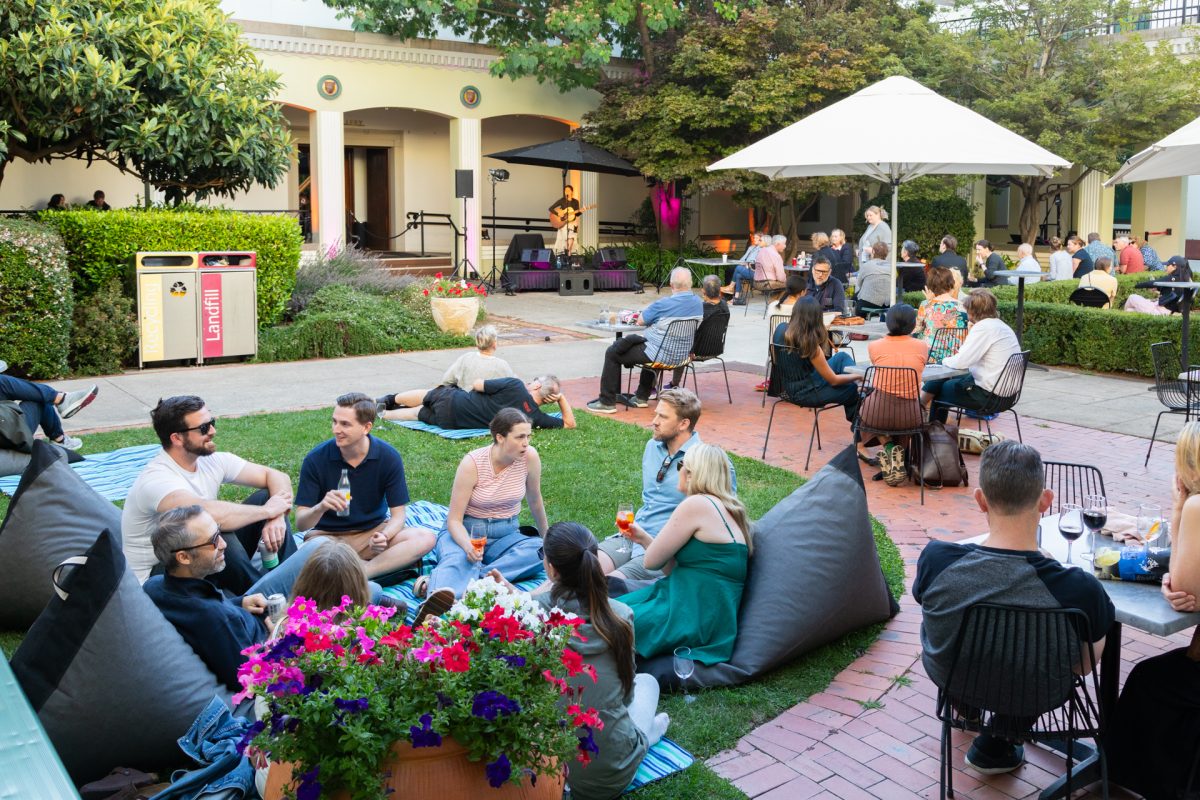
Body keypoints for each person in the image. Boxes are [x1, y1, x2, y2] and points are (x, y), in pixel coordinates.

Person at [913, 440, 1113, 774]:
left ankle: (972, 712)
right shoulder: (1078, 589)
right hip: (1036, 694)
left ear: (980, 500)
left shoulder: (936, 560)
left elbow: (927, 609)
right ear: (1046, 500)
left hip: (955, 679)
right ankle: (1003, 736)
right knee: (1038, 659)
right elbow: (1082, 667)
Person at [490, 522, 668, 800]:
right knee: (647, 683)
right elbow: (627, 695)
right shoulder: (620, 614)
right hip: (609, 775)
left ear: (551, 570)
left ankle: (644, 737)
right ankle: (644, 738)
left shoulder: (533, 616)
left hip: (545, 773)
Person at [1107, 421, 1200, 799]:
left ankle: (1122, 777)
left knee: (1147, 678)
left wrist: (1179, 508)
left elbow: (1182, 587)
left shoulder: (1197, 506)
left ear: (1189, 466)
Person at [144, 505, 334, 689]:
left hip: (245, 612)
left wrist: (238, 602)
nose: (223, 544)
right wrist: (276, 639)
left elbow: (205, 612)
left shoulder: (154, 586)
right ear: (184, 557)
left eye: (219, 532)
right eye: (213, 540)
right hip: (266, 635)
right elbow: (246, 677)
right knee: (324, 555)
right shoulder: (216, 620)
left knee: (319, 546)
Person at [123, 395, 296, 592]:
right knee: (215, 533)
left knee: (266, 497)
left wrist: (276, 517)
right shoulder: (156, 480)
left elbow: (277, 476)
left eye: (212, 422)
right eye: (204, 428)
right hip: (158, 578)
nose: (213, 431)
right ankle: (265, 595)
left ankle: (295, 586)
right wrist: (267, 511)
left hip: (198, 555)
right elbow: (208, 513)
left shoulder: (211, 461)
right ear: (177, 438)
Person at [614, 443, 750, 665]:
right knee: (607, 610)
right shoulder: (729, 510)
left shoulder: (696, 504)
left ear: (692, 473)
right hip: (709, 620)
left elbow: (650, 562)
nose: (678, 471)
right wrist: (643, 538)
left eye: (680, 465)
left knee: (605, 622)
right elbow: (675, 570)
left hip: (687, 613)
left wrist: (647, 543)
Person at [294, 393, 436, 582]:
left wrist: (384, 536)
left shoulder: (388, 457)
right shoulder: (316, 459)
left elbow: (398, 516)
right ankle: (374, 570)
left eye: (345, 424)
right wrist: (320, 507)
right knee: (307, 553)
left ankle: (364, 572)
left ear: (366, 427)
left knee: (425, 537)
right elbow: (301, 523)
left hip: (372, 533)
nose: (336, 429)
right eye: (334, 422)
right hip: (328, 537)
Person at [595, 388, 728, 583]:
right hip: (631, 535)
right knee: (579, 570)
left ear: (683, 424)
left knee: (605, 585)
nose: (654, 421)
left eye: (663, 417)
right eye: (656, 414)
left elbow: (721, 516)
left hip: (665, 549)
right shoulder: (652, 446)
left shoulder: (706, 462)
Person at [423, 408, 548, 599]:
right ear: (500, 437)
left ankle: (472, 582)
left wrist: (547, 538)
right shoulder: (473, 463)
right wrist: (468, 547)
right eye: (519, 437)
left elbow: (535, 499)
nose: (526, 443)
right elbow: (454, 520)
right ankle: (440, 596)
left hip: (506, 535)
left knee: (539, 552)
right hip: (467, 532)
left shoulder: (529, 457)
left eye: (528, 436)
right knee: (458, 559)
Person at [587, 267, 702, 413]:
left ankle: (607, 402)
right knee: (646, 345)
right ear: (690, 284)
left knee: (612, 352)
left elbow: (641, 320)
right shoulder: (698, 303)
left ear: (671, 285)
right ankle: (641, 397)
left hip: (659, 353)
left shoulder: (663, 304)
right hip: (682, 356)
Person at [772, 298, 872, 463]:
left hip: (788, 387)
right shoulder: (810, 344)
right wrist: (859, 375)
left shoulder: (780, 329)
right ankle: (860, 443)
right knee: (853, 391)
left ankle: (862, 389)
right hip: (807, 393)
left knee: (841, 357)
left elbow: (776, 361)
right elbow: (833, 381)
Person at [922, 289, 1021, 423]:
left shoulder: (983, 328)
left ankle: (932, 427)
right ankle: (921, 406)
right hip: (1008, 395)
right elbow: (968, 358)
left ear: (972, 311)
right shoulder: (1001, 326)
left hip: (989, 396)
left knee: (942, 388)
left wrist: (943, 361)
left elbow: (961, 362)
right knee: (946, 377)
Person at [376, 325, 513, 413]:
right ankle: (391, 408)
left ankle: (390, 400)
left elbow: (447, 380)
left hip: (458, 400)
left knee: (431, 394)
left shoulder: (467, 358)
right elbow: (515, 388)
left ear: (478, 343)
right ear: (494, 344)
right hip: (482, 409)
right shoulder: (502, 365)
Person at [862, 304, 929, 480]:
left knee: (864, 408)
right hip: (910, 415)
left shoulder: (874, 346)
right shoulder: (922, 346)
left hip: (879, 412)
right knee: (907, 412)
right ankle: (900, 458)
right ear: (913, 325)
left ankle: (889, 447)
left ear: (888, 323)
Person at [387, 375, 576, 430]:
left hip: (454, 401)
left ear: (537, 385)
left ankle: (389, 399)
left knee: (428, 395)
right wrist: (562, 399)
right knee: (417, 413)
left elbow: (478, 385)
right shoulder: (534, 418)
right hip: (450, 422)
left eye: (535, 380)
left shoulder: (516, 385)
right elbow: (570, 424)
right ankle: (384, 414)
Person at [0, 376, 96, 451]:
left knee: (3, 383)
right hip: (10, 436)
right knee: (40, 399)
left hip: (7, 432)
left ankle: (60, 398)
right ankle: (61, 399)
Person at [671, 275, 727, 388]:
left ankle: (673, 384)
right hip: (716, 348)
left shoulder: (699, 309)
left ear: (703, 291)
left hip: (696, 352)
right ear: (720, 290)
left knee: (670, 346)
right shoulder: (724, 306)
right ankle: (673, 384)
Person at [914, 266, 968, 362]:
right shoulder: (963, 306)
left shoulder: (926, 305)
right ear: (952, 283)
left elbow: (916, 329)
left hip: (931, 356)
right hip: (956, 356)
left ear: (931, 286)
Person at [731, 234, 787, 307]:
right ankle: (777, 306)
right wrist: (785, 280)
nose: (785, 246)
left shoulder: (761, 251)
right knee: (790, 285)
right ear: (778, 244)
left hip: (755, 282)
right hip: (767, 283)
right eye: (784, 244)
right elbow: (781, 277)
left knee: (738, 274)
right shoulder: (776, 255)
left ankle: (735, 295)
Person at [1126, 254, 1192, 315]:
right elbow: (1170, 290)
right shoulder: (1185, 280)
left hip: (1161, 311)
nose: (1166, 267)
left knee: (1132, 297)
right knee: (1129, 310)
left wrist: (1135, 285)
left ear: (1174, 266)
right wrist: (1157, 288)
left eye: (1168, 265)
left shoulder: (1172, 278)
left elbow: (1151, 283)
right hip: (1167, 311)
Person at [855, 241, 893, 312]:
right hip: (888, 303)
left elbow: (859, 283)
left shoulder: (867, 265)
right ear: (887, 253)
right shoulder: (891, 266)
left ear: (873, 251)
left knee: (854, 300)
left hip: (869, 302)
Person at [549, 184, 582, 257]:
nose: (566, 192)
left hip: (573, 222)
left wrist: (581, 211)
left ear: (572, 191)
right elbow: (550, 208)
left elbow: (577, 214)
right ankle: (567, 253)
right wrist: (558, 214)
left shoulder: (575, 201)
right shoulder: (562, 200)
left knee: (572, 236)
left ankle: (569, 251)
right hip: (563, 223)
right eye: (565, 190)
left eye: (568, 190)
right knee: (566, 237)